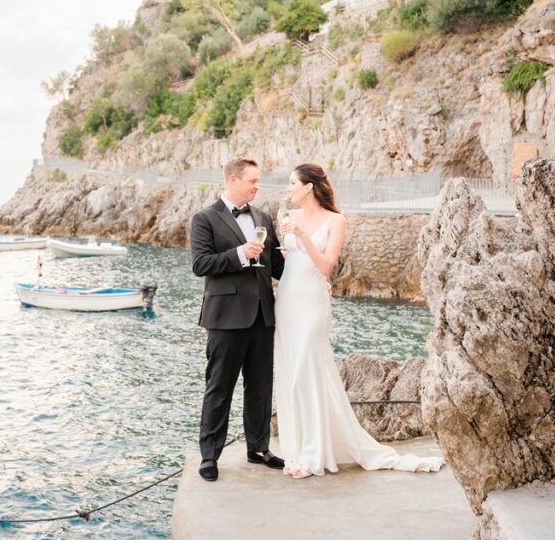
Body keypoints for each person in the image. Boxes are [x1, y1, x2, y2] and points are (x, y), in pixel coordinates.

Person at [274, 163, 445, 478]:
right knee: (290, 373)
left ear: (309, 187)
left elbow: (326, 266)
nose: (288, 189)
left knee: (308, 368)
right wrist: (292, 240)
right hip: (286, 299)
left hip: (312, 302)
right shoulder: (291, 217)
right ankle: (296, 449)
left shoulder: (335, 220)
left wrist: (302, 237)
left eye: (292, 183)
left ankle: (315, 454)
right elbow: (290, 259)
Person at [190, 157, 286, 482]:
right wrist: (239, 255)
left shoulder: (263, 217)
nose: (257, 186)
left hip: (262, 314)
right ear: (233, 180)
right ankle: (209, 455)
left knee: (260, 385)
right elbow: (201, 264)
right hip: (225, 318)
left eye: (257, 181)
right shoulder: (205, 218)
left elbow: (275, 267)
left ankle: (258, 447)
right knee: (219, 388)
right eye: (252, 181)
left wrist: (298, 256)